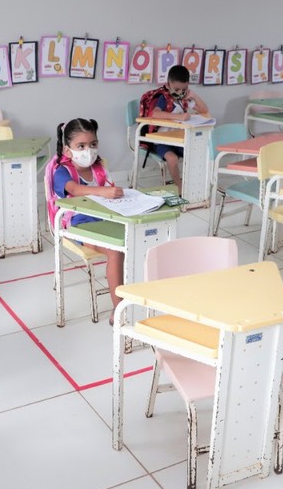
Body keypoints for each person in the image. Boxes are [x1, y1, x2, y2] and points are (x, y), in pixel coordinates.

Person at [49, 118, 124, 325]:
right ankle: (119, 309)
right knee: (116, 250)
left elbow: (108, 193)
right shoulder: (62, 171)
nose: (88, 151)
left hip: (103, 217)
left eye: (93, 144)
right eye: (80, 146)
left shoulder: (98, 168)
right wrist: (102, 191)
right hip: (78, 225)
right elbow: (74, 189)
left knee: (134, 241)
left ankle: (131, 296)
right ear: (67, 150)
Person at [138, 65, 210, 194]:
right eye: (176, 89)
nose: (180, 92)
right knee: (172, 159)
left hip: (180, 139)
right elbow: (155, 114)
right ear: (168, 84)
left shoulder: (184, 98)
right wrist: (178, 116)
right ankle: (179, 186)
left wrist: (194, 95)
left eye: (184, 89)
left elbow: (204, 110)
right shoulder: (164, 98)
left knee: (197, 153)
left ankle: (195, 183)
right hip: (162, 140)